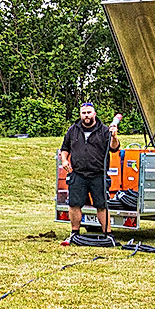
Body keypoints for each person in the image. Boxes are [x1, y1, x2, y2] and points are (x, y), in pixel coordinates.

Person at [58, 101, 120, 246]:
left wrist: (114, 136)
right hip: (78, 174)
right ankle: (74, 233)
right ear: (80, 115)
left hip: (98, 174)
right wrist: (64, 161)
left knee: (102, 205)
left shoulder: (104, 130)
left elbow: (114, 148)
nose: (86, 116)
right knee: (74, 204)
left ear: (94, 114)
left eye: (89, 113)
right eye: (84, 113)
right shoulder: (73, 130)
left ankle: (108, 234)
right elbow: (65, 147)